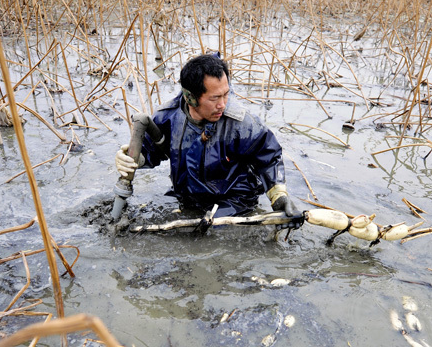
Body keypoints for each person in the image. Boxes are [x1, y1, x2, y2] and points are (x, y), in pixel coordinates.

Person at [114, 53, 303, 228]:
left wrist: (279, 198)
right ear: (191, 98)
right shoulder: (168, 117)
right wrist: (132, 159)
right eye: (215, 98)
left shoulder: (241, 123)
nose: (222, 104)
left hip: (234, 202)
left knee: (209, 233)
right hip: (186, 196)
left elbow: (269, 157)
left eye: (226, 94)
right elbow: (153, 152)